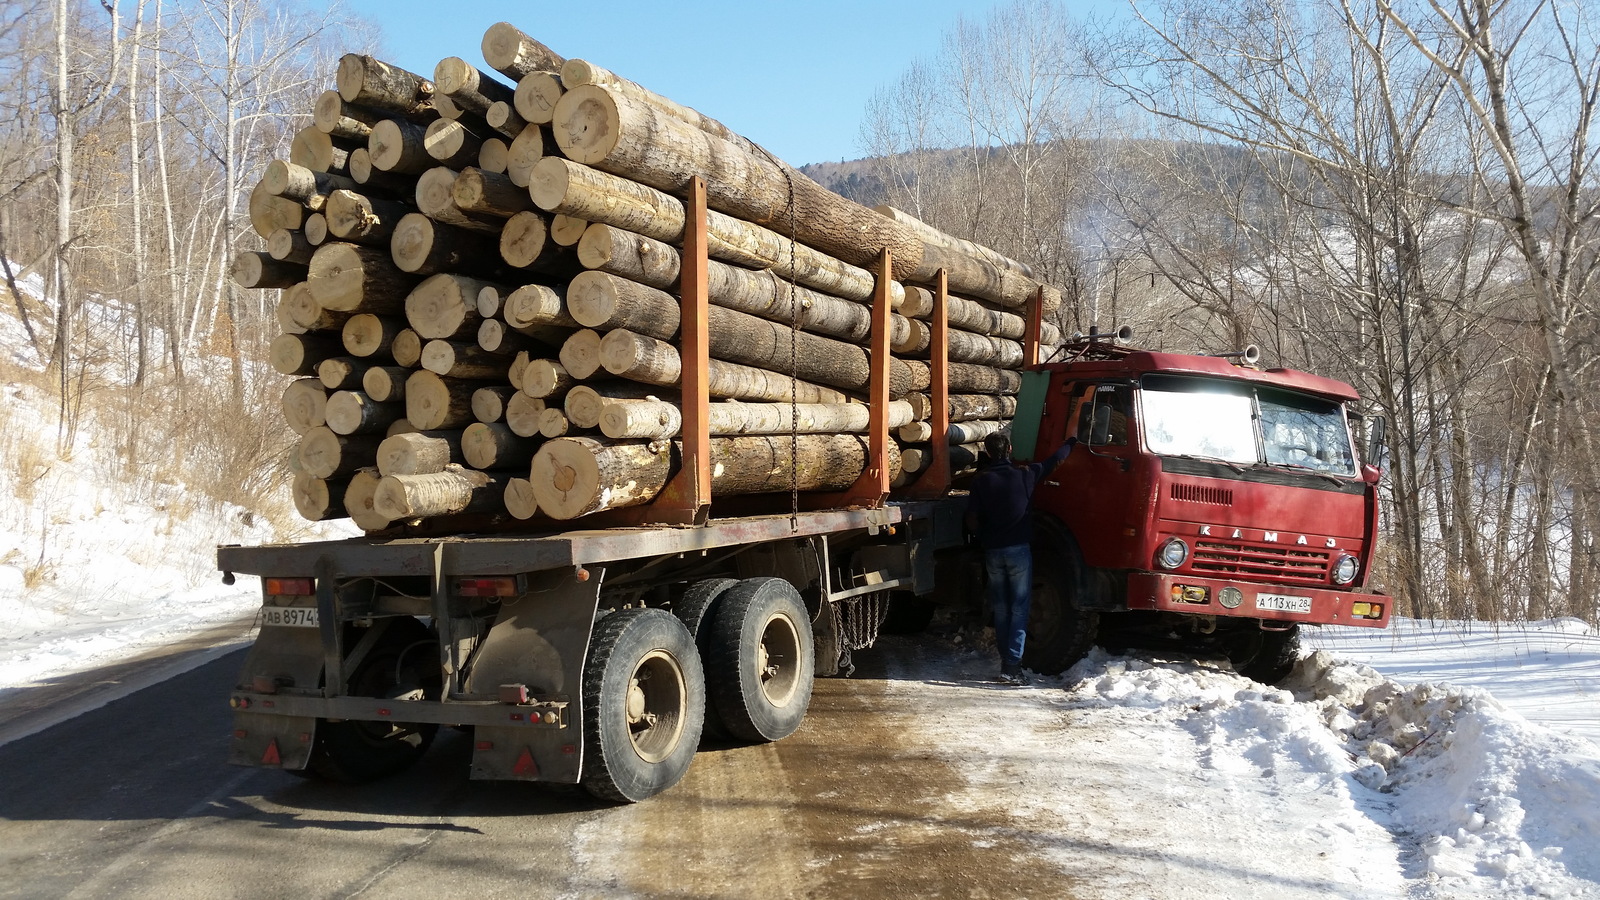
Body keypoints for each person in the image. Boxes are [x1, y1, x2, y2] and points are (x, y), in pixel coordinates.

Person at [965, 431, 1077, 684]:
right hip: (1019, 552)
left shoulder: (981, 481)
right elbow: (1055, 461)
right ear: (1010, 449)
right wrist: (1071, 441)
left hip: (993, 552)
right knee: (1019, 609)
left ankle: (1007, 662)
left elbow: (971, 519)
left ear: (988, 452)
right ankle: (1012, 666)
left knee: (1002, 608)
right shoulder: (1025, 475)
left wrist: (983, 536)